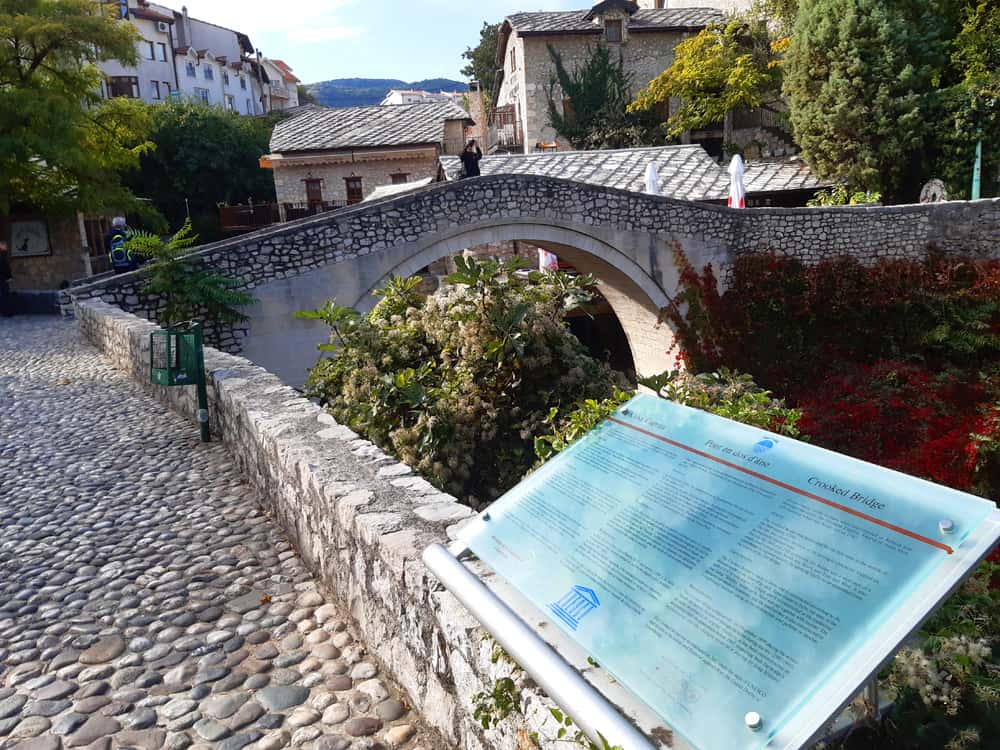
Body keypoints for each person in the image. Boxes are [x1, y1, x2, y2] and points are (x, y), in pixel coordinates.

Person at [0, 240, 13, 317]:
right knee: (5, 294)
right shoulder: (2, 255)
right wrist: (9, 277)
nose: (6, 247)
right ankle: (7, 312)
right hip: (2, 278)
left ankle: (5, 311)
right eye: (4, 246)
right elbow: (5, 267)